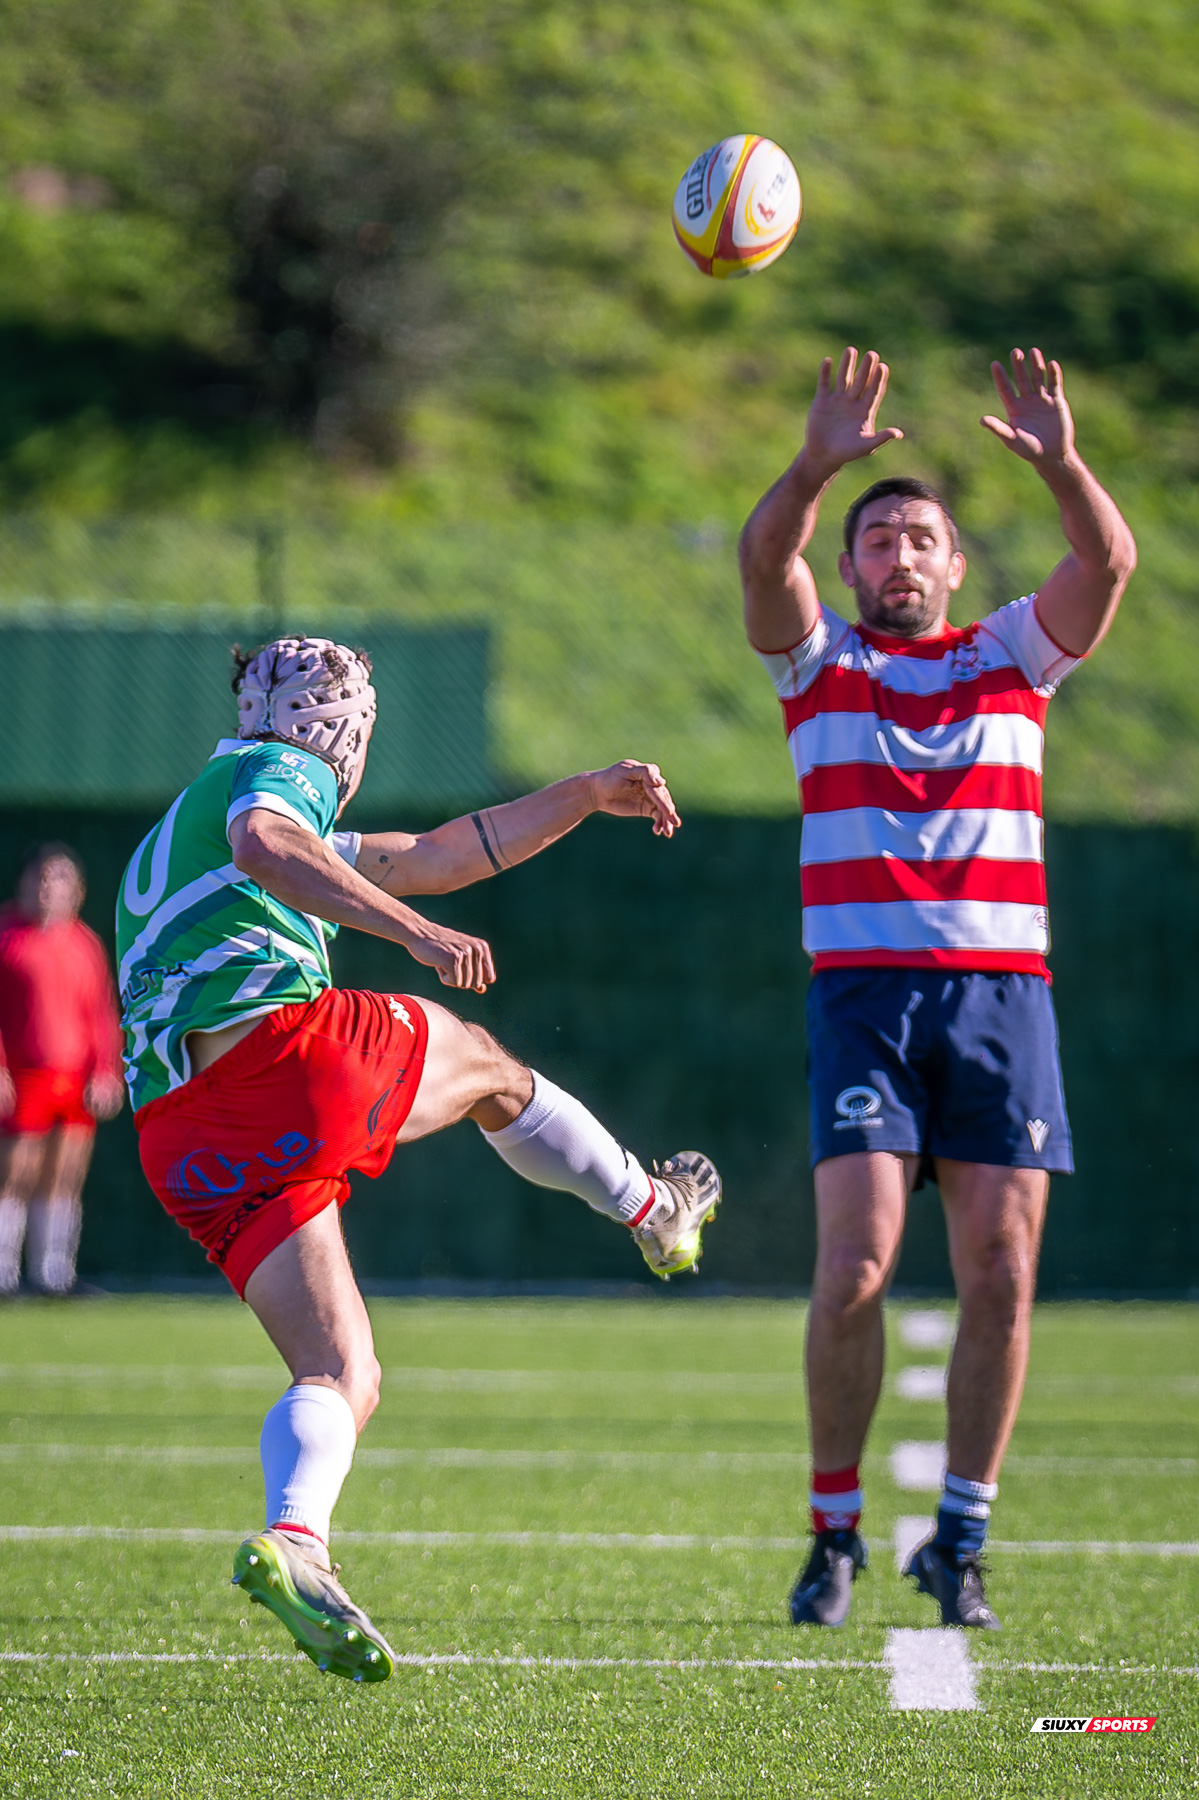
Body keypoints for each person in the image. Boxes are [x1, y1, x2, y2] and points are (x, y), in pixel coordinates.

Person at [116, 637, 721, 1682]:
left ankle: (296, 1541)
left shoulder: (184, 828)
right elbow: (270, 842)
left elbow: (434, 854)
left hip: (183, 1137)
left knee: (342, 1371)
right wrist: (413, 935)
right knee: (487, 1064)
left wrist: (581, 794)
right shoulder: (269, 773)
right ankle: (652, 1208)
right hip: (280, 1063)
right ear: (341, 725)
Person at [738, 347, 1136, 1629]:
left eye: (920, 538)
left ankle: (958, 1534)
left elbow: (1108, 568)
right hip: (861, 1000)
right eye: (876, 541)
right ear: (851, 570)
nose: (898, 557)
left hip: (997, 1001)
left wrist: (1062, 462)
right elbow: (761, 565)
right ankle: (834, 1528)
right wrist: (815, 466)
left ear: (956, 566)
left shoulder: (1014, 657)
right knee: (854, 1268)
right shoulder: (818, 668)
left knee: (999, 1273)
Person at [0, 844, 124, 1296]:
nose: (49, 888)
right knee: (14, 1173)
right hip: (23, 1076)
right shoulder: (7, 937)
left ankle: (54, 1274)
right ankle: (4, 1274)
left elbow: (101, 1014)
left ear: (78, 890)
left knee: (64, 1176)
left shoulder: (85, 943)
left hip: (74, 1080)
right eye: (41, 878)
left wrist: (106, 1071)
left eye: (60, 879)